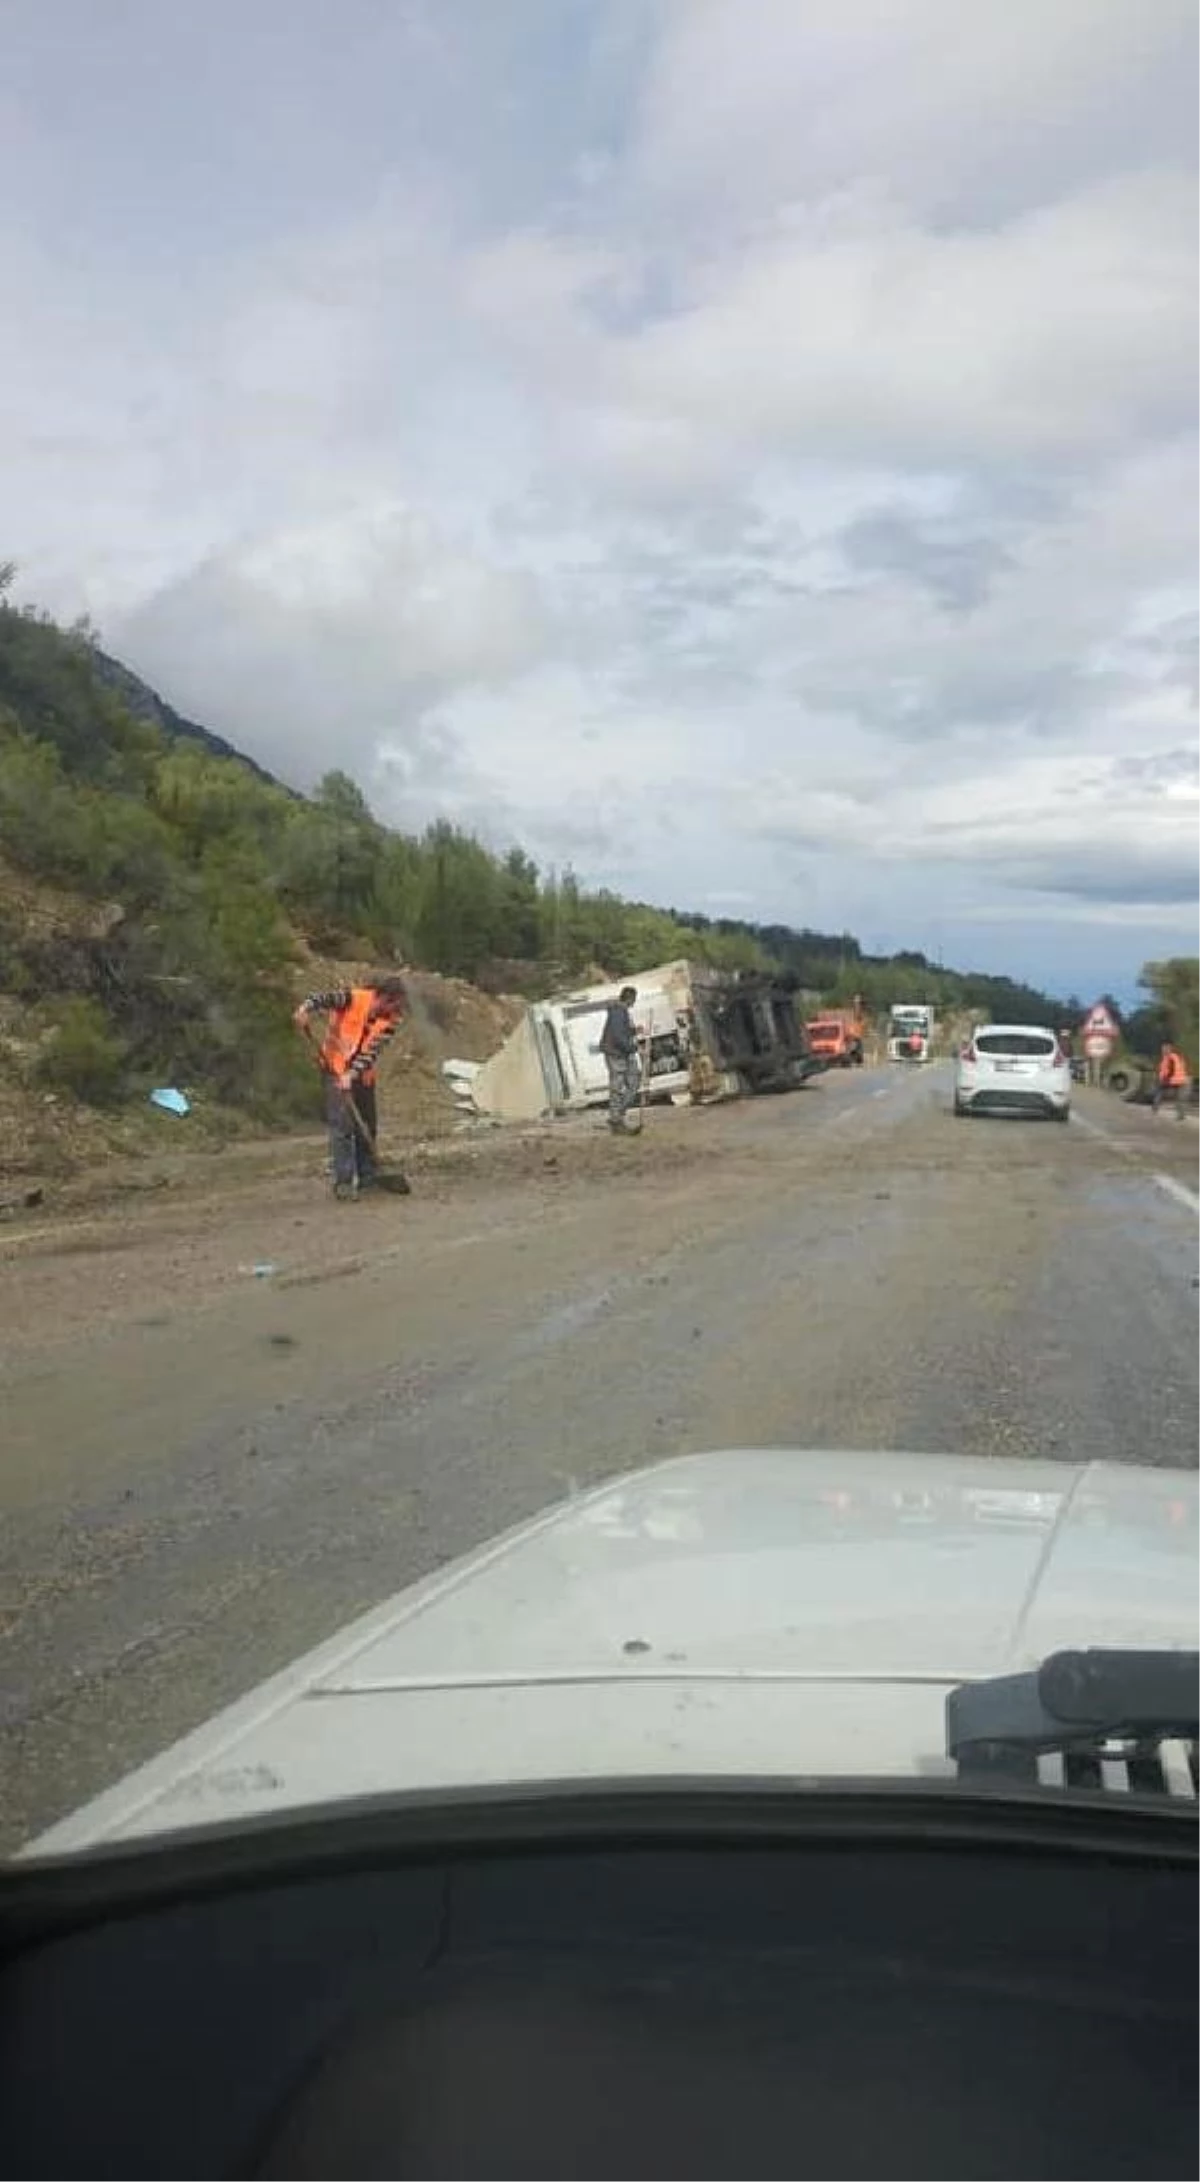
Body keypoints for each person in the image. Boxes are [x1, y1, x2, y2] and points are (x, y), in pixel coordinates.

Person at [294, 976, 409, 1197]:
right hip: (333, 1068)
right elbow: (320, 998)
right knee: (342, 1126)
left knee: (367, 1124)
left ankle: (368, 1176)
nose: (398, 1010)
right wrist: (305, 1009)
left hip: (362, 1075)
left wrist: (352, 1074)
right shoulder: (351, 998)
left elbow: (370, 1052)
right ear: (384, 997)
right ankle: (344, 1182)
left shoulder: (391, 1021)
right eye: (395, 1005)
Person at [599, 984, 642, 1134]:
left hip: (620, 1052)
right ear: (630, 998)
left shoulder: (620, 1011)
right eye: (634, 999)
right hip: (616, 1053)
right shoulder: (618, 1011)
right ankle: (616, 1119)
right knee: (618, 1087)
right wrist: (632, 1048)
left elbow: (620, 1031)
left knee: (633, 1082)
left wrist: (633, 1031)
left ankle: (617, 1116)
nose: (634, 1002)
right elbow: (617, 1036)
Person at [1153, 1039, 1191, 1122]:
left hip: (1174, 1080)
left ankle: (1155, 1108)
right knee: (1179, 1098)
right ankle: (1181, 1115)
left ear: (1169, 1047)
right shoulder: (1172, 1056)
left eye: (1165, 1048)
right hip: (1179, 1080)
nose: (1163, 1049)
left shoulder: (1171, 1057)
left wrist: (1164, 1079)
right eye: (1163, 1048)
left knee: (1160, 1091)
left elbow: (1171, 1070)